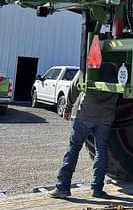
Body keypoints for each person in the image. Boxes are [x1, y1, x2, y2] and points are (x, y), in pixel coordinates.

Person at [49, 70, 119, 198]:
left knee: (73, 148)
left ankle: (62, 187)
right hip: (106, 117)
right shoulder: (119, 69)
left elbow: (75, 85)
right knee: (101, 151)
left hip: (86, 115)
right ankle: (97, 189)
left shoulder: (91, 65)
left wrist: (68, 107)